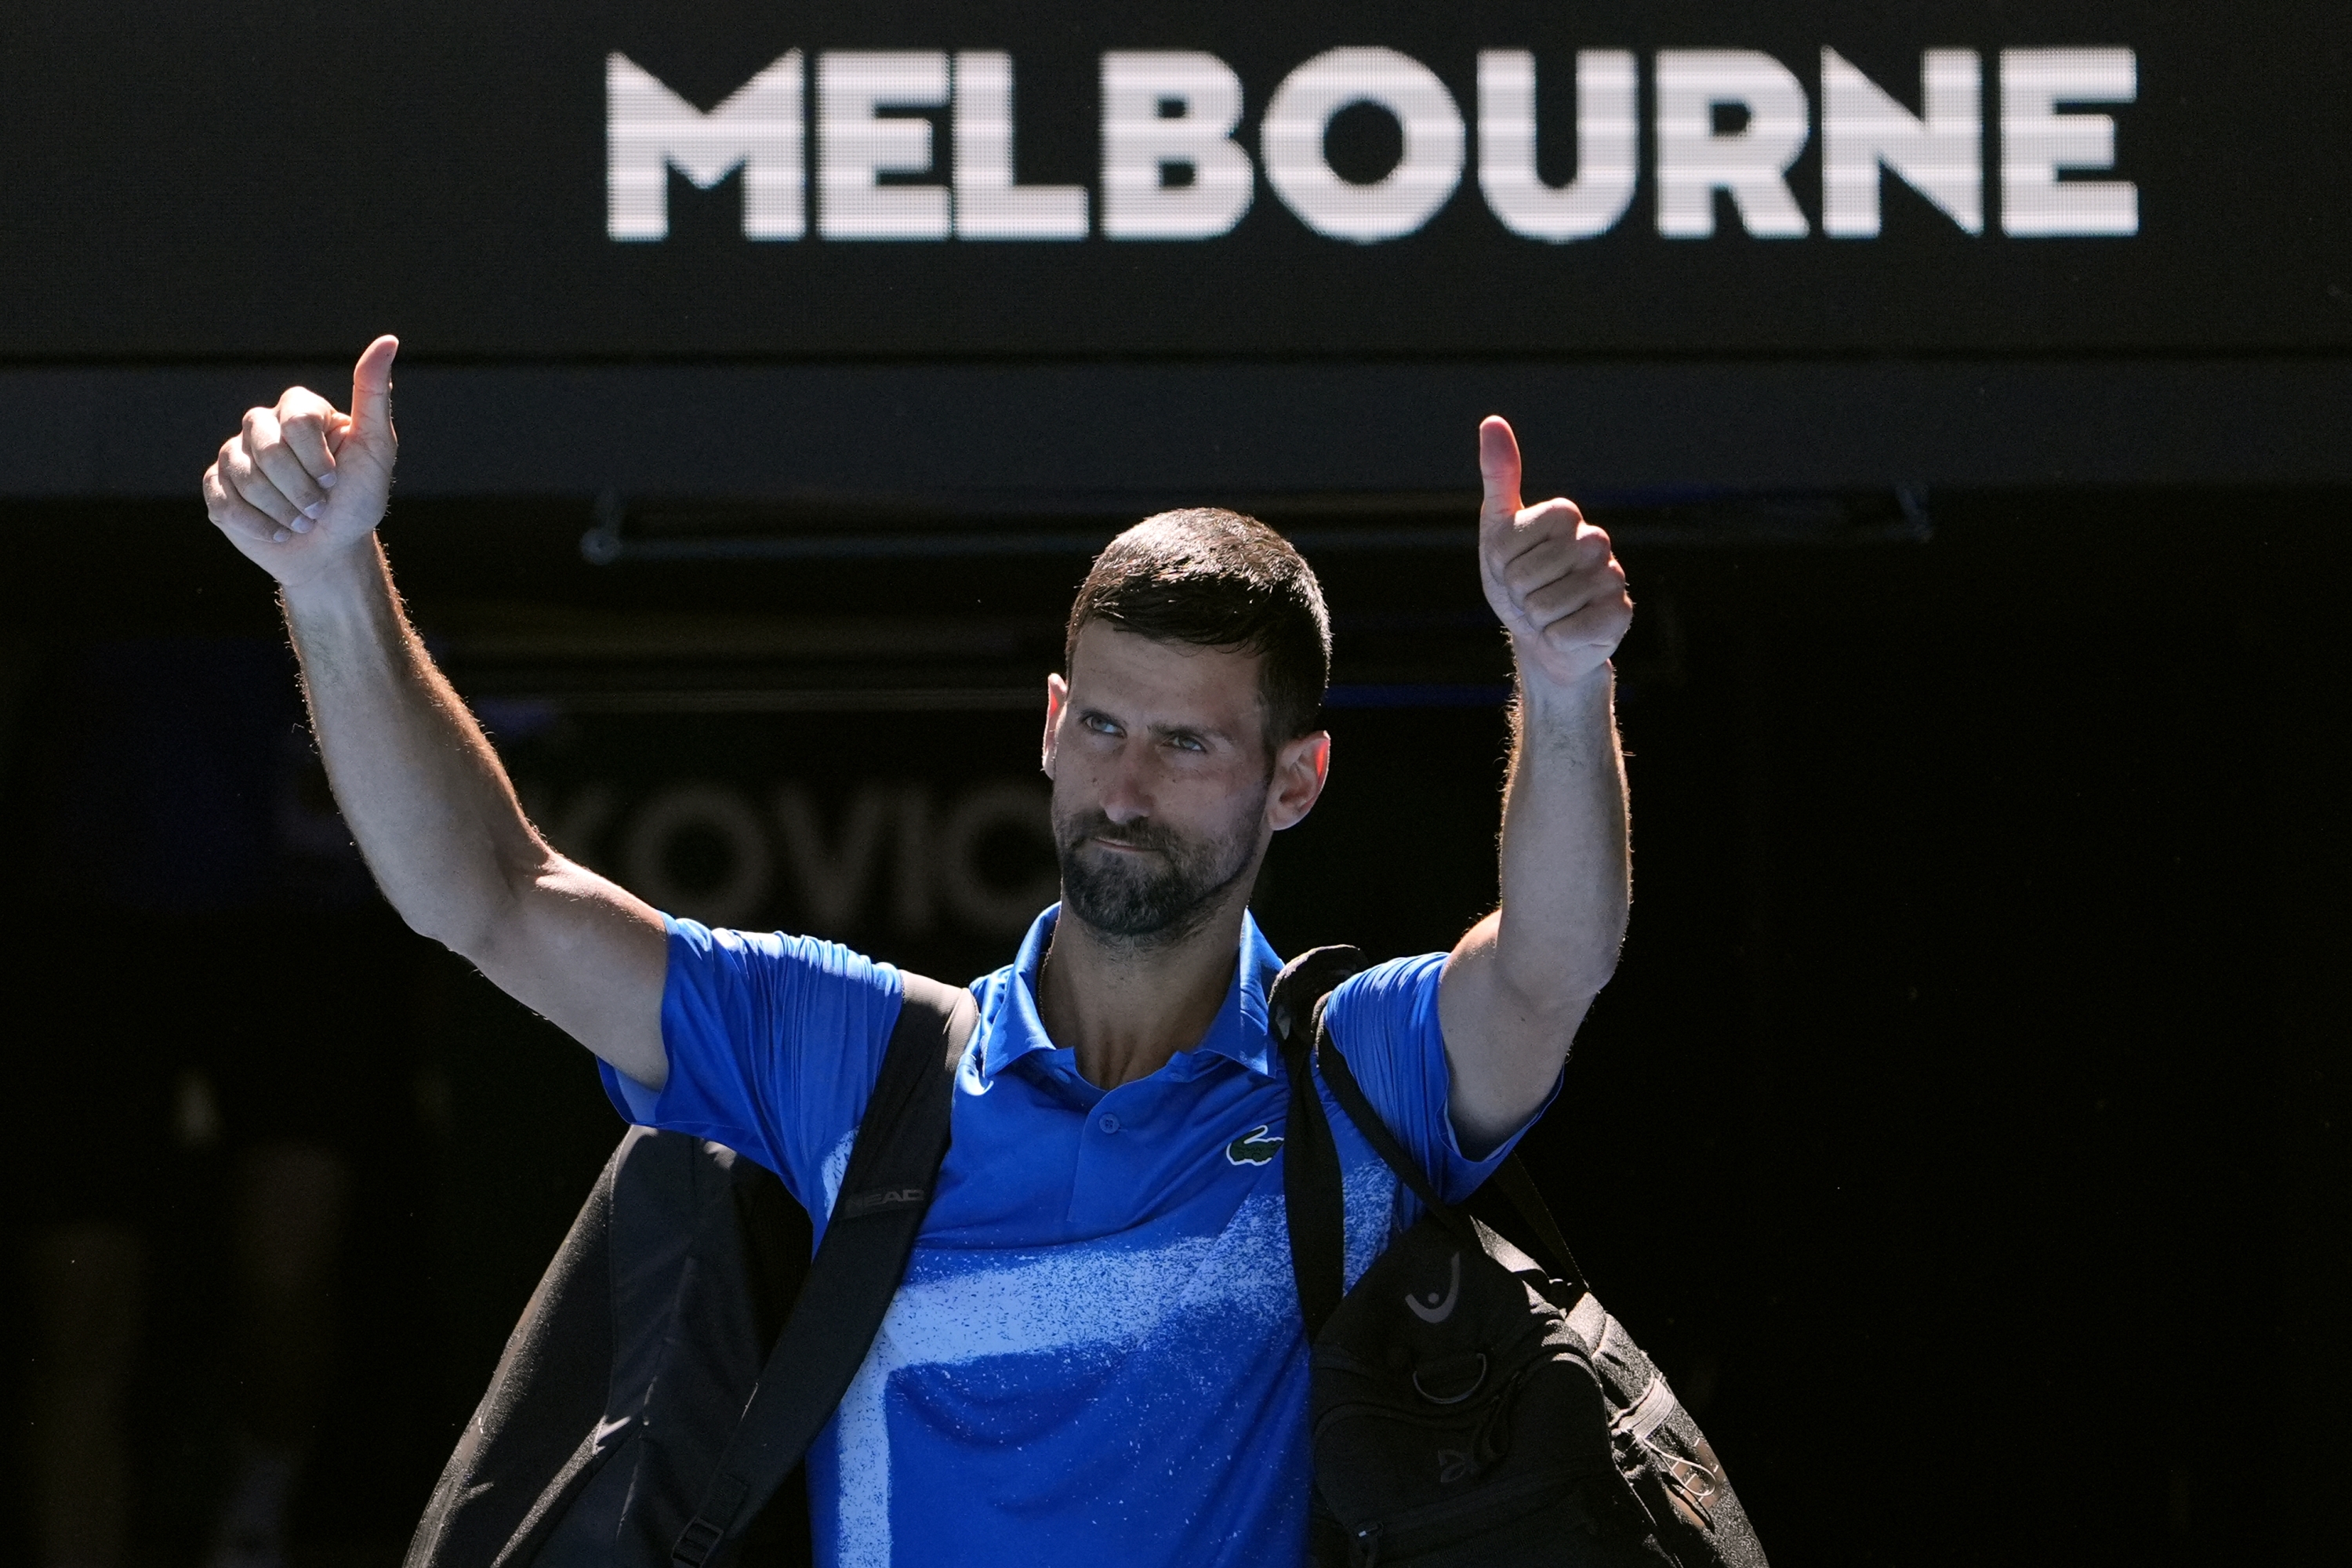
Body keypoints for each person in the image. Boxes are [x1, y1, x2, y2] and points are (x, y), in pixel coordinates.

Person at [198, 337, 1633, 1568]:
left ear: (1298, 780)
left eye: (1189, 745)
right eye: (1104, 729)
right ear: (1053, 720)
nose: (1123, 791)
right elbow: (492, 895)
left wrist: (1564, 689)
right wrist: (330, 583)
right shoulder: (854, 1060)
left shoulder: (1351, 1082)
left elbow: (1548, 967)